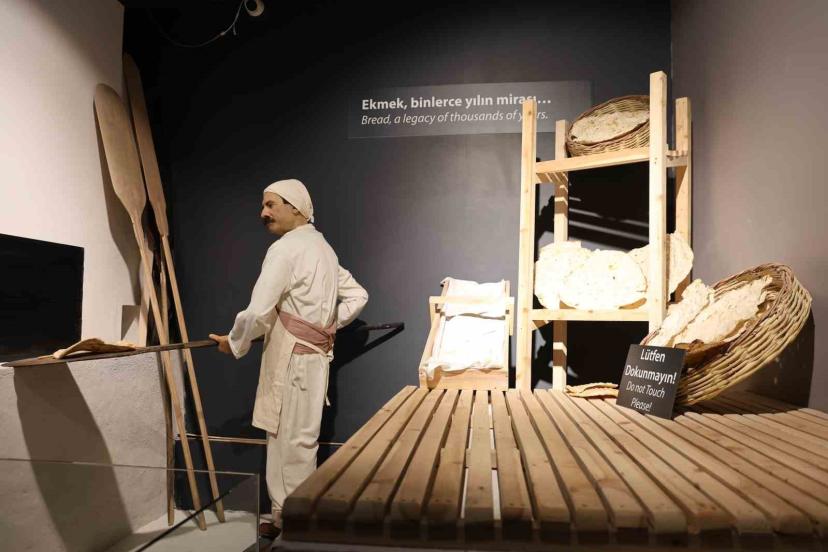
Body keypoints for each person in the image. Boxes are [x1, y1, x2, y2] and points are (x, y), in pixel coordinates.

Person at [209, 179, 368, 540]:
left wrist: (234, 343)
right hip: (314, 358)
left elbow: (257, 311)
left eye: (271, 205)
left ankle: (295, 523)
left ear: (295, 207)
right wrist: (325, 327)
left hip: (294, 359)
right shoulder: (323, 249)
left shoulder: (286, 249)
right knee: (298, 440)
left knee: (290, 442)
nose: (263, 213)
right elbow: (359, 296)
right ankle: (287, 516)